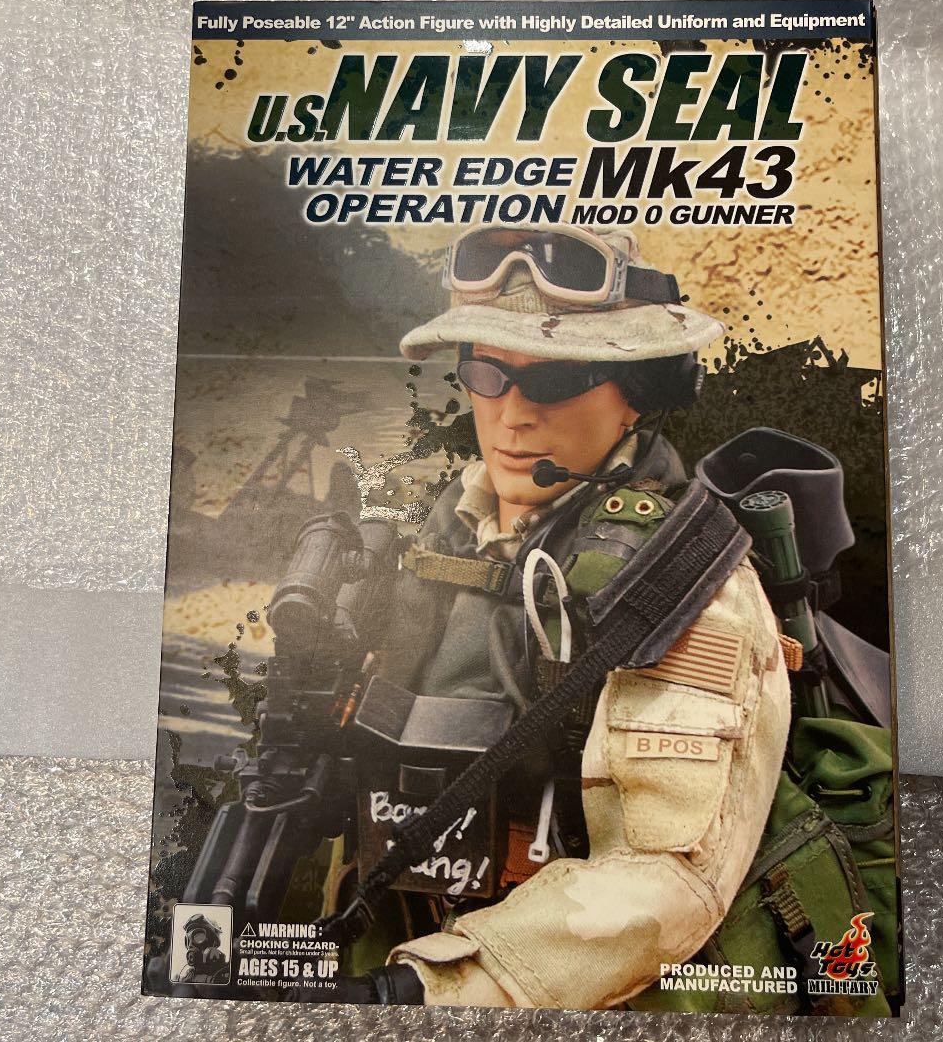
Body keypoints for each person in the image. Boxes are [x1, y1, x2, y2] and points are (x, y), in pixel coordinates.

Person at [320, 224, 793, 1009]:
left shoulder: (683, 584)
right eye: (487, 373)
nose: (511, 416)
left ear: (638, 393)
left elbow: (665, 881)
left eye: (555, 380)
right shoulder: (444, 534)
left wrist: (416, 993)